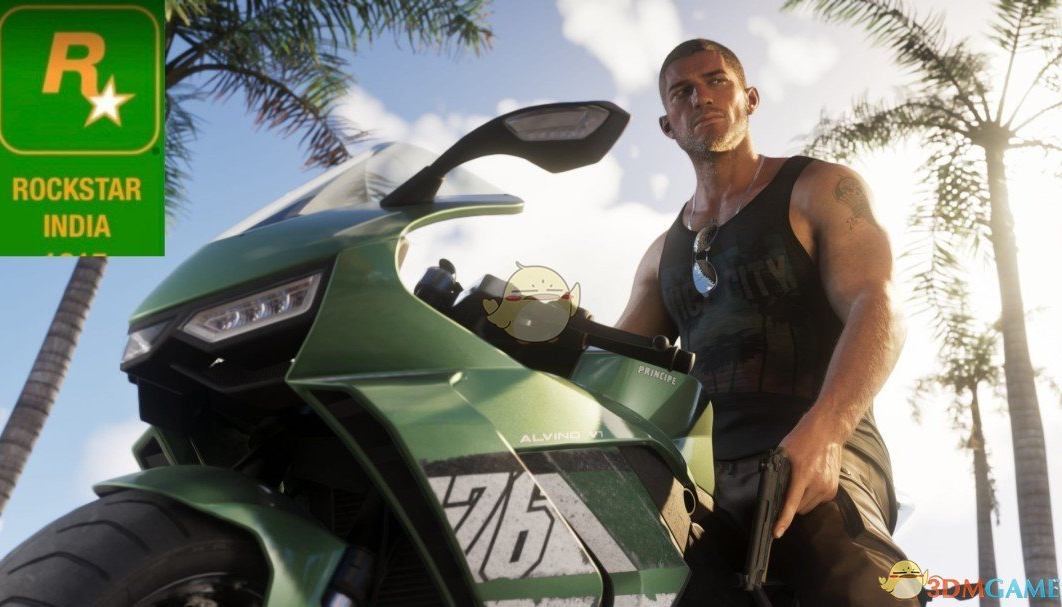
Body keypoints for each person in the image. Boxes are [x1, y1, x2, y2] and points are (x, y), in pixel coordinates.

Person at [615, 38, 920, 606]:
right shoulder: (661, 255)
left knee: (861, 589)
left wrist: (827, 430)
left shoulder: (817, 188)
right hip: (702, 486)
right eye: (682, 92)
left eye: (716, 81)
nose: (701, 97)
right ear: (667, 124)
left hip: (818, 453)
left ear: (749, 99)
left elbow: (877, 302)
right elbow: (613, 367)